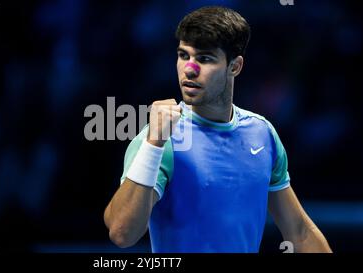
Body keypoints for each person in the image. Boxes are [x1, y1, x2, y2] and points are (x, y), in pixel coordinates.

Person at [103, 6, 332, 253]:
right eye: (183, 55)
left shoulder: (262, 133)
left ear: (234, 67)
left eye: (204, 58)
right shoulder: (160, 139)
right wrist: (153, 143)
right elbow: (121, 233)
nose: (189, 69)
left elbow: (299, 231)